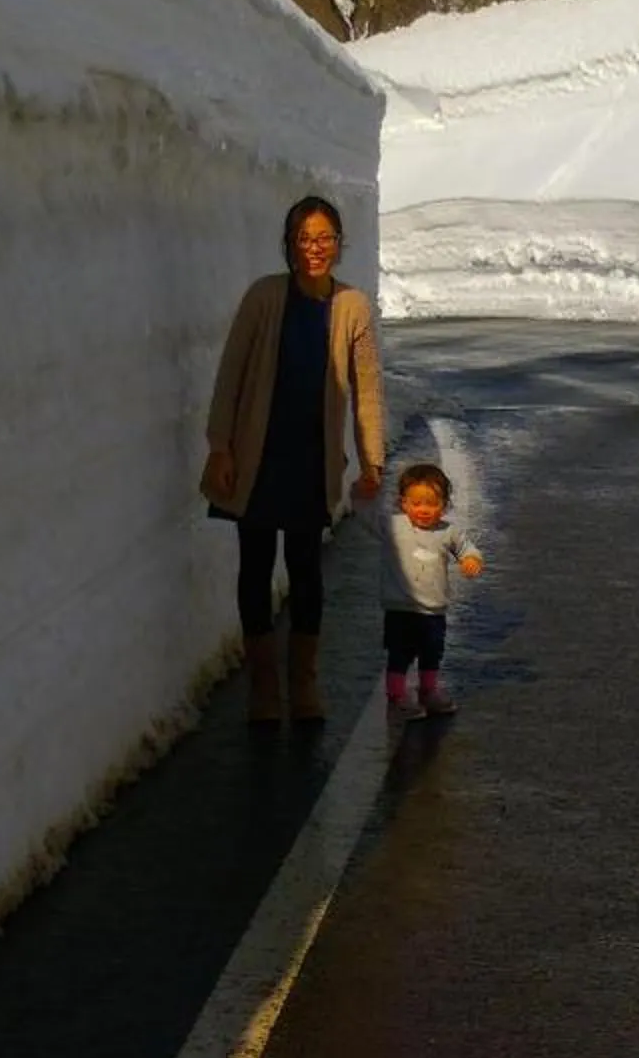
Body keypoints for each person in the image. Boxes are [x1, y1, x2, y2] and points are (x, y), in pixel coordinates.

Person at [202, 195, 386, 724]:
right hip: (258, 455)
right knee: (256, 569)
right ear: (289, 244)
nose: (315, 249)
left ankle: (303, 683)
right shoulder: (264, 297)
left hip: (311, 459)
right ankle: (264, 686)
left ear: (339, 243)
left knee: (306, 571)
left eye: (325, 238)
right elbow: (231, 374)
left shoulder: (351, 306)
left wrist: (371, 461)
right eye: (305, 239)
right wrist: (220, 445)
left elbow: (367, 389)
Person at [381, 462, 483, 720]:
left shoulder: (447, 531)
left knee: (432, 651)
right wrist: (360, 490)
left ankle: (428, 690)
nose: (423, 510)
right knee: (399, 652)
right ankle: (396, 695)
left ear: (444, 505)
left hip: (434, 609)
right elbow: (365, 515)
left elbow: (465, 547)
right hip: (401, 608)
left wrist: (471, 560)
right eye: (416, 504)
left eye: (431, 503)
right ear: (403, 503)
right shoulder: (395, 527)